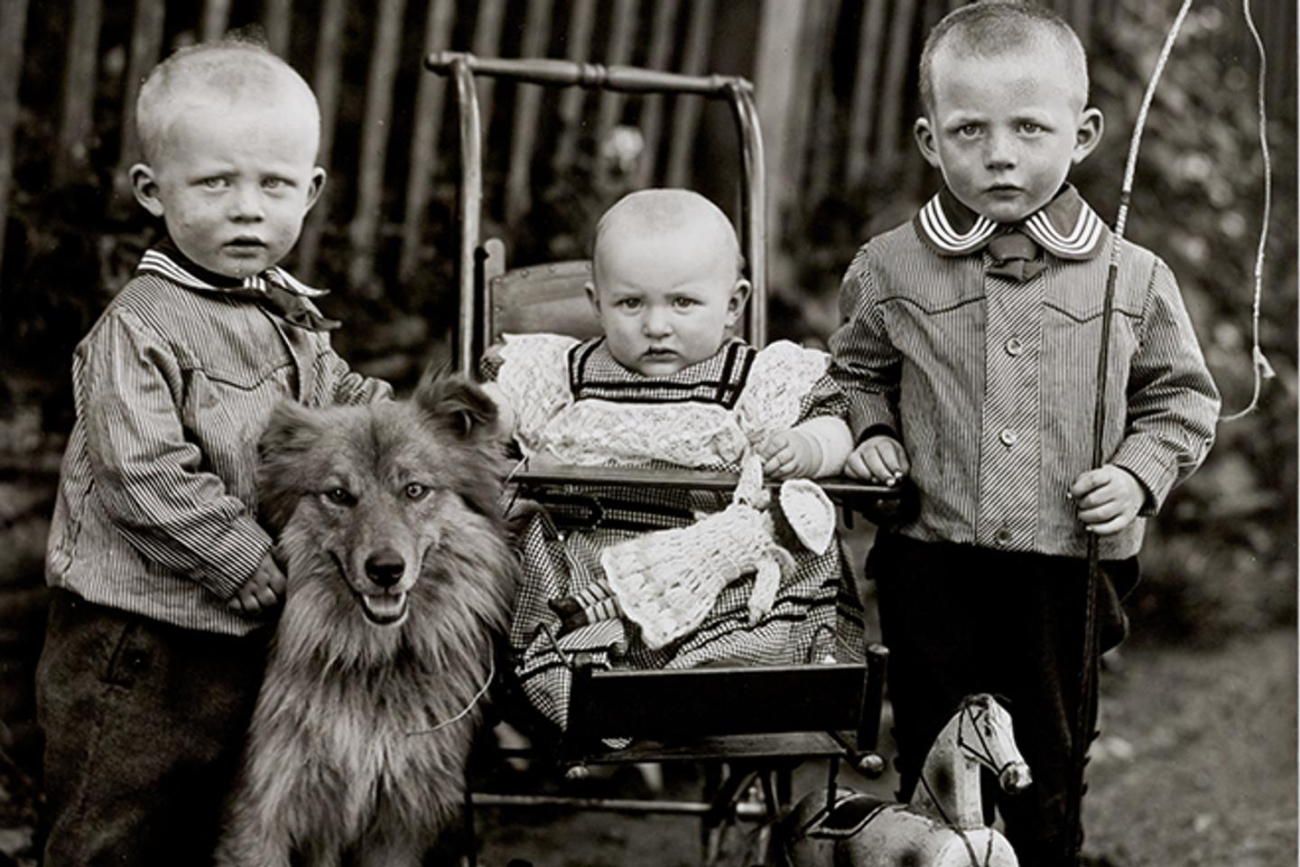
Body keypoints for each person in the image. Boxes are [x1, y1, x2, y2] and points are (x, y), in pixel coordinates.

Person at [828, 3, 1220, 865]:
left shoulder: (1133, 275)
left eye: (1028, 128)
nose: (999, 153)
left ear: (1081, 134)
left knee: (1045, 745)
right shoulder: (889, 267)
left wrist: (1137, 473)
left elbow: (1182, 398)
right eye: (970, 130)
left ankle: (1046, 854)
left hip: (1065, 561)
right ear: (931, 140)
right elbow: (852, 371)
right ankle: (943, 854)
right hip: (930, 551)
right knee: (934, 732)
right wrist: (872, 428)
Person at [35, 35, 392, 865]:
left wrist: (403, 421)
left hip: (236, 636)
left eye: (273, 185)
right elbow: (141, 471)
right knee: (113, 822)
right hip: (136, 643)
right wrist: (237, 556)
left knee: (210, 819)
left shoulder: (280, 312)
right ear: (152, 192)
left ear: (311, 191)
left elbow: (334, 397)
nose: (246, 208)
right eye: (215, 182)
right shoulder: (141, 326)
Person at [484, 188, 864, 732]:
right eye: (630, 304)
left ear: (733, 306)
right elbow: (503, 403)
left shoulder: (757, 380)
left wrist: (807, 447)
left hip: (711, 570)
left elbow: (834, 421)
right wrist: (489, 412)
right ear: (596, 304)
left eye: (682, 303)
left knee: (786, 559)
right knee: (530, 567)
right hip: (589, 565)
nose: (656, 326)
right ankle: (596, 694)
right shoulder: (562, 373)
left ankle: (708, 684)